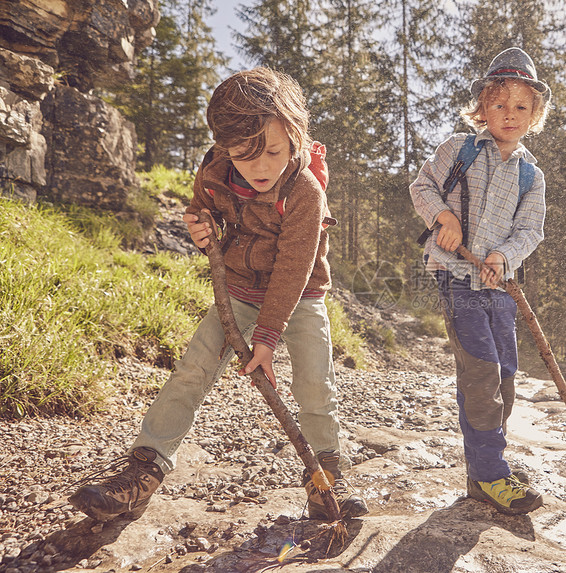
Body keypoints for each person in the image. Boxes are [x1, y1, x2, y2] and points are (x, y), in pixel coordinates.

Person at [68, 67, 367, 522]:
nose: (262, 166)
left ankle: (325, 477)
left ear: (296, 135)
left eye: (273, 151)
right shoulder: (214, 171)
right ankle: (142, 473)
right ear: (226, 148)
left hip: (300, 294)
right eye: (246, 156)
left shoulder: (305, 190)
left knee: (314, 385)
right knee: (192, 371)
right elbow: (203, 212)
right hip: (239, 291)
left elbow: (293, 266)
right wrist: (199, 226)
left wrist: (267, 336)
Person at [410, 47, 551, 515]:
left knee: (506, 376)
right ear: (482, 107)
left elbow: (531, 230)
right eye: (499, 105)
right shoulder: (459, 150)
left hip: (502, 287)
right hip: (457, 278)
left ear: (535, 114)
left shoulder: (532, 174)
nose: (509, 115)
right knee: (481, 374)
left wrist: (502, 255)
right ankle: (489, 474)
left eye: (521, 107)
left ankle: (487, 465)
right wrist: (444, 216)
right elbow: (421, 187)